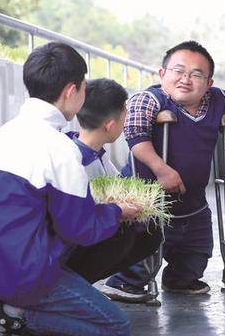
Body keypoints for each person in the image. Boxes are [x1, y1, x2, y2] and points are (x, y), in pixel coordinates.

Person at [0, 43, 139, 336]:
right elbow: (81, 230)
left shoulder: (5, 133)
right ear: (73, 90)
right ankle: (11, 318)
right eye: (85, 86)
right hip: (22, 275)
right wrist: (117, 211)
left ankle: (8, 315)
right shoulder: (59, 149)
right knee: (116, 328)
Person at [106, 40, 225, 297]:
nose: (185, 79)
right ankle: (126, 283)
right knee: (142, 252)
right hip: (147, 198)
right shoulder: (147, 100)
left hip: (192, 201)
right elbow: (136, 138)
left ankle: (180, 279)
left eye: (196, 74)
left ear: (209, 83)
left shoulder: (222, 101)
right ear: (162, 74)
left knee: (197, 250)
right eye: (178, 71)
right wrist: (162, 170)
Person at [64, 78, 162, 304]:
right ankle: (70, 287)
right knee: (124, 234)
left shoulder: (96, 153)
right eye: (124, 115)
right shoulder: (73, 159)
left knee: (149, 229)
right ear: (110, 125)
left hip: (86, 230)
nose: (125, 122)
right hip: (67, 243)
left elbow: (119, 186)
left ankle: (83, 283)